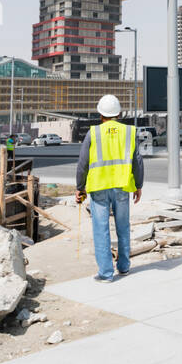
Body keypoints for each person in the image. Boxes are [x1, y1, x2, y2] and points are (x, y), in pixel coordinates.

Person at [76, 94, 143, 282]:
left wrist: (80, 187)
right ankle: (124, 267)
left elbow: (83, 163)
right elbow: (137, 161)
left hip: (99, 187)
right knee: (123, 227)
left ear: (100, 114)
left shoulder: (93, 133)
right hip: (122, 187)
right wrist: (138, 185)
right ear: (119, 113)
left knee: (101, 230)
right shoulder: (130, 132)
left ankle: (106, 273)